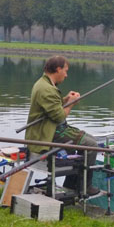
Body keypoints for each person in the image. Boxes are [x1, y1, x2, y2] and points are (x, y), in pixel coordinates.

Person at [25, 55, 100, 196]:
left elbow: (54, 106)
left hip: (53, 128)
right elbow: (59, 116)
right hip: (48, 133)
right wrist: (71, 103)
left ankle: (72, 184)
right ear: (58, 69)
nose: (66, 75)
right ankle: (84, 186)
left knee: (90, 140)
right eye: (65, 71)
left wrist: (67, 99)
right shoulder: (46, 89)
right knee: (91, 145)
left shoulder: (45, 84)